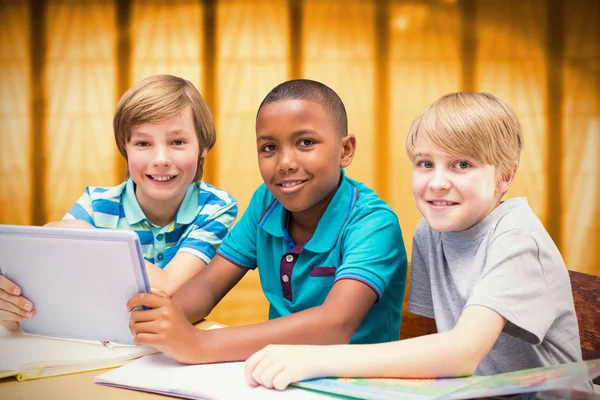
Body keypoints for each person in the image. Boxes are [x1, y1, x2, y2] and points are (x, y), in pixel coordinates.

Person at [244, 92, 589, 392]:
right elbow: (435, 343)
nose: (437, 182)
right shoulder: (430, 232)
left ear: (505, 175)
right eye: (425, 163)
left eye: (462, 164)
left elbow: (461, 351)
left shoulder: (517, 238)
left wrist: (312, 358)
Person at [125, 79, 408, 364]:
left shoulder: (374, 223)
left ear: (345, 150)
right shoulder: (267, 203)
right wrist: (162, 322)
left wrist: (200, 344)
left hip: (355, 383)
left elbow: (333, 325)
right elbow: (210, 284)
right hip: (277, 376)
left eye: (305, 142)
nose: (285, 162)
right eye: (269, 147)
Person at [0, 74, 238, 330]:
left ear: (203, 146)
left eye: (177, 142)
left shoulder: (215, 207)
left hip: (175, 344)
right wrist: (13, 307)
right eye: (143, 143)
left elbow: (168, 286)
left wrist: (87, 237)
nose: (160, 159)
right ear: (125, 148)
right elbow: (48, 298)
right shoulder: (95, 204)